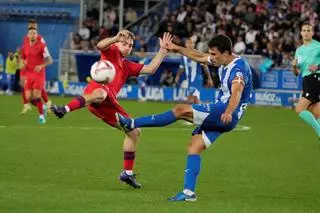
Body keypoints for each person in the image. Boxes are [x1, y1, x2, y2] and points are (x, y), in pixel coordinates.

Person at [116, 34, 253, 201]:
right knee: (194, 147)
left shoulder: (238, 68)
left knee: (181, 110)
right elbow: (199, 56)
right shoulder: (224, 60)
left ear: (226, 52)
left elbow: (237, 92)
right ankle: (189, 193)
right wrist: (176, 48)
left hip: (225, 111)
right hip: (226, 115)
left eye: (215, 54)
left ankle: (132, 123)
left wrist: (229, 111)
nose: (212, 57)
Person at [50, 31, 172, 189]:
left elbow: (151, 69)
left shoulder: (127, 65)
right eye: (124, 43)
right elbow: (100, 45)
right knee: (100, 93)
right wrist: (115, 38)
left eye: (130, 45)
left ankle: (127, 173)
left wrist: (163, 50)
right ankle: (64, 109)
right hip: (97, 91)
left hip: (109, 104)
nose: (127, 47)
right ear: (117, 44)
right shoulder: (111, 50)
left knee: (134, 131)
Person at [292, 23, 320, 140]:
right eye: (304, 30)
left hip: (314, 78)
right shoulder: (299, 50)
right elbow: (296, 73)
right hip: (306, 80)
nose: (306, 32)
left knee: (299, 109)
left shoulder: (318, 46)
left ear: (313, 33)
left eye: (309, 30)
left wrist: (318, 67)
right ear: (301, 33)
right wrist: (294, 67)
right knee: (316, 112)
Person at [21, 27, 53, 124]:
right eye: (30, 33)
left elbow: (50, 60)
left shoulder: (42, 46)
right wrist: (23, 64)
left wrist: (41, 65)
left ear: (37, 35)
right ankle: (43, 106)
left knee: (36, 95)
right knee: (29, 97)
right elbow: (24, 58)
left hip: (39, 74)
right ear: (28, 35)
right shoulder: (25, 46)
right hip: (29, 74)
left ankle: (41, 116)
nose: (32, 35)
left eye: (34, 33)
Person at [175, 38, 214, 104]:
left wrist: (209, 78)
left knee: (190, 99)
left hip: (197, 79)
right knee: (195, 99)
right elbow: (182, 68)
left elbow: (205, 66)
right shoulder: (184, 56)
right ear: (185, 44)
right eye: (188, 43)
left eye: (191, 43)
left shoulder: (197, 54)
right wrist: (177, 76)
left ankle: (184, 111)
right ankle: (200, 112)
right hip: (189, 80)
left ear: (194, 44)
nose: (190, 45)